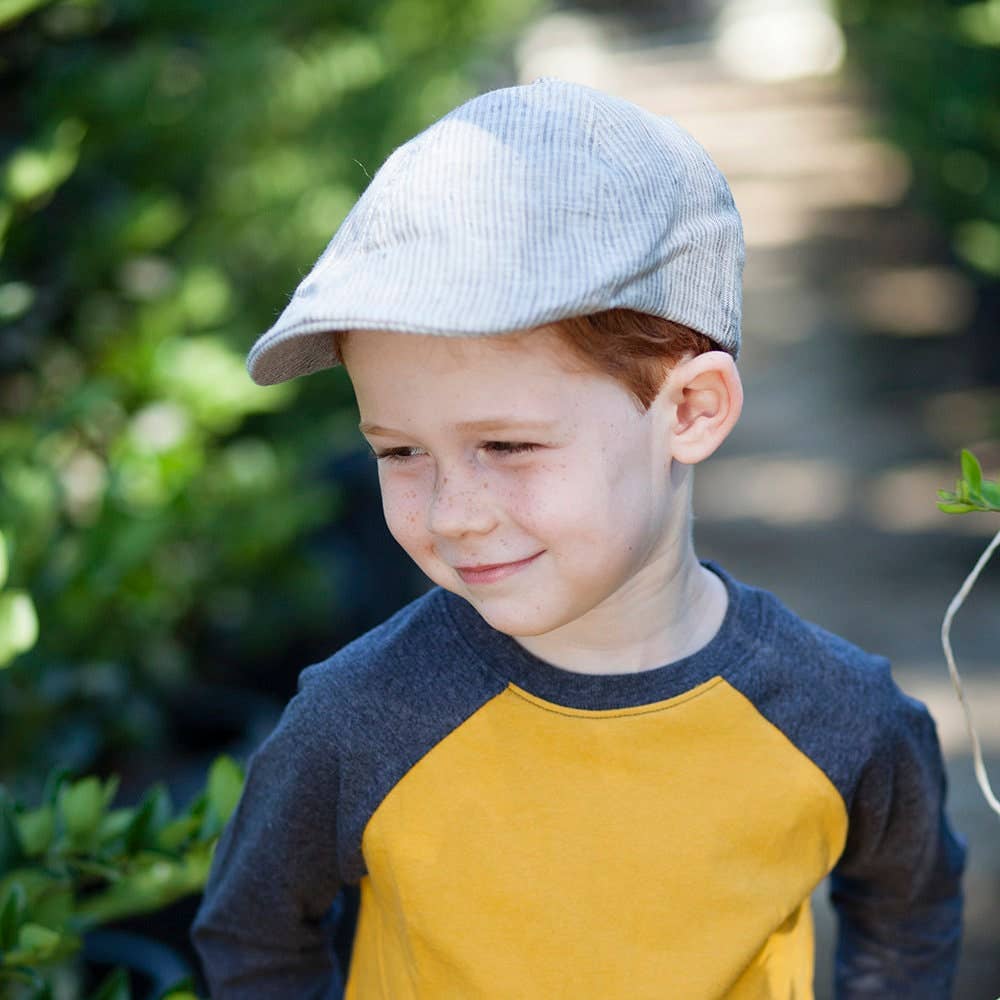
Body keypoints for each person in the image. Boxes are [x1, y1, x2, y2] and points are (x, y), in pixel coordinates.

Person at [190, 78, 966, 999]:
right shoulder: (362, 719)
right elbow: (253, 935)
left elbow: (908, 909)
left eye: (507, 445)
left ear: (691, 409)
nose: (452, 512)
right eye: (399, 451)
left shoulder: (838, 716)